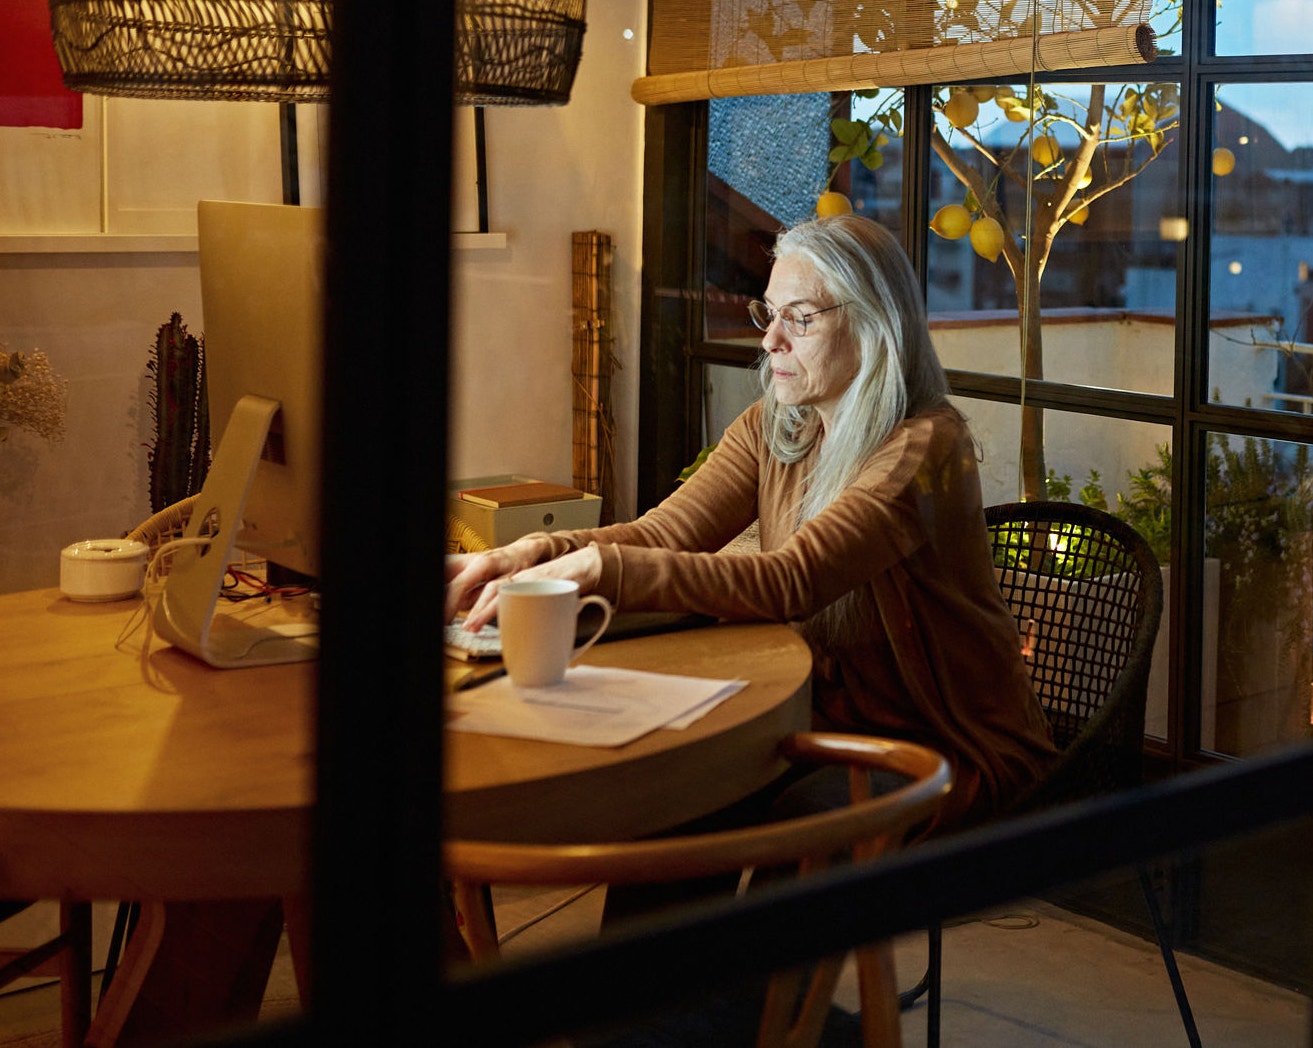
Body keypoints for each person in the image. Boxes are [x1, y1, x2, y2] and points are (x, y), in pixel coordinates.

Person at [445, 212, 1058, 837]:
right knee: (676, 797)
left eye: (801, 317)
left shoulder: (925, 446)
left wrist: (596, 568)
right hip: (815, 717)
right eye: (771, 314)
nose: (770, 342)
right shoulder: (777, 423)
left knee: (782, 833)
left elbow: (790, 580)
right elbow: (663, 535)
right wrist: (529, 555)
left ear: (876, 326)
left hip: (940, 749)